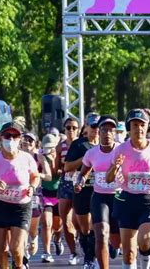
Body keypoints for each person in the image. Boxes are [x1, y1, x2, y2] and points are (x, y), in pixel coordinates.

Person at [106, 109, 150, 269]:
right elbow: (108, 178)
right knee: (128, 252)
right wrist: (116, 166)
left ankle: (145, 265)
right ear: (129, 127)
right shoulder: (120, 149)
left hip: (149, 200)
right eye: (135, 125)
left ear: (148, 127)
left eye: (142, 125)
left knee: (146, 239)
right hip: (127, 200)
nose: (139, 128)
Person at [75, 115, 121, 268]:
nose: (107, 133)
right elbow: (83, 173)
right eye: (104, 130)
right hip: (100, 198)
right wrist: (80, 182)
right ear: (99, 132)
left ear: (114, 133)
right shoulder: (91, 153)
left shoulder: (122, 150)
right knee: (100, 234)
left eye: (110, 130)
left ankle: (115, 245)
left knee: (116, 240)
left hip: (119, 197)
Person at [0, 122, 40, 269]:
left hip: (21, 206)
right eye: (8, 136)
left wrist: (32, 187)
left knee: (15, 247)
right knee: (1, 248)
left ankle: (19, 265)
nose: (11, 140)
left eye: (15, 136)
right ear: (0, 138)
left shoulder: (27, 158)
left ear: (20, 139)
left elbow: (35, 176)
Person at [65, 113, 100, 268]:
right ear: (86, 127)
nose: (96, 130)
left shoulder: (109, 145)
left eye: (99, 127)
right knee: (85, 229)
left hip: (100, 191)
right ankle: (88, 253)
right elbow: (67, 167)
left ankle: (91, 259)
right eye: (93, 126)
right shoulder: (78, 145)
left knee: (97, 226)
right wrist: (85, 158)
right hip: (82, 189)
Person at [55, 117, 80, 265]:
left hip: (82, 183)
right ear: (64, 129)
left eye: (74, 128)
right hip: (65, 183)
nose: (71, 130)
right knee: (66, 220)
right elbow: (56, 168)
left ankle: (83, 242)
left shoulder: (82, 145)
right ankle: (73, 252)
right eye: (68, 128)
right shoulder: (60, 147)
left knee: (80, 221)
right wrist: (58, 169)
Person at [39, 134, 63, 263]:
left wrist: (57, 164)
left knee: (58, 225)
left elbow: (61, 171)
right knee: (46, 224)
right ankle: (46, 252)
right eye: (46, 147)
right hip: (46, 193)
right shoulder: (41, 156)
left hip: (59, 193)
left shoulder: (60, 155)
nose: (49, 150)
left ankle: (58, 239)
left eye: (52, 147)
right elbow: (46, 174)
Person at [20, 133, 42, 259]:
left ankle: (34, 237)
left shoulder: (38, 157)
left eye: (30, 140)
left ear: (35, 143)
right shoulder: (15, 156)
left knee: (32, 225)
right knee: (21, 224)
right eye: (25, 140)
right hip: (18, 194)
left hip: (34, 193)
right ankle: (22, 253)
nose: (27, 142)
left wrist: (37, 176)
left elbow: (49, 175)